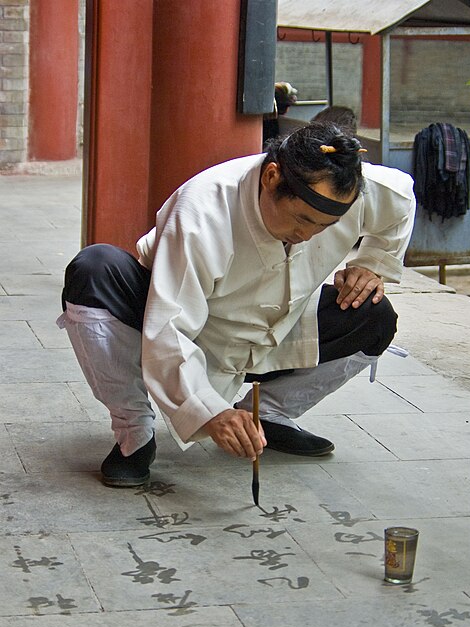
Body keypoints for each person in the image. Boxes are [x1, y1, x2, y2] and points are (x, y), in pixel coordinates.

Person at [59, 122, 416, 487]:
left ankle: (270, 415)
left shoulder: (354, 185)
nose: (308, 234)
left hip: (277, 331)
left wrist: (373, 264)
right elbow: (171, 325)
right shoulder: (203, 209)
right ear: (272, 178)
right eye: (302, 219)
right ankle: (135, 432)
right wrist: (211, 413)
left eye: (327, 226)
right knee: (94, 269)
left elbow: (402, 197)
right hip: (187, 330)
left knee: (374, 314)